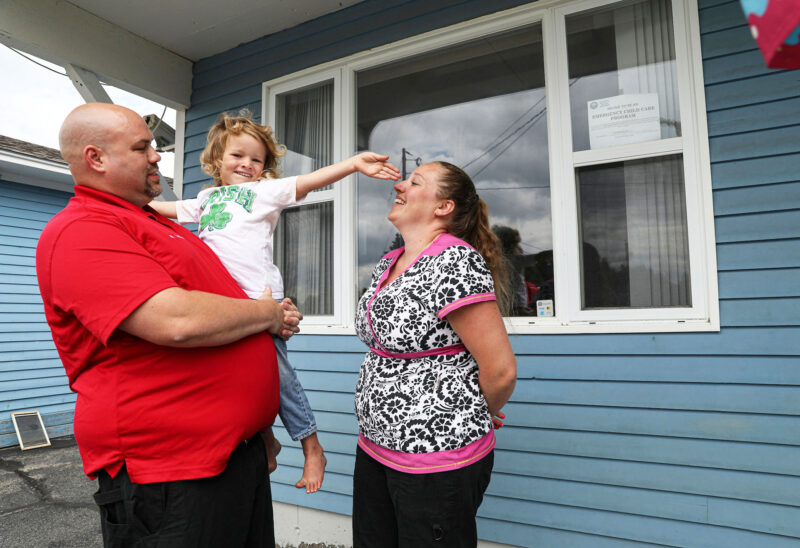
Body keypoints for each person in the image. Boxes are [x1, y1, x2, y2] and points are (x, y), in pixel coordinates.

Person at [36, 103, 302, 547]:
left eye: (154, 146)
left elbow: (222, 307)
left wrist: (257, 430)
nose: (157, 156)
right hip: (170, 474)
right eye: (142, 147)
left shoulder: (157, 223)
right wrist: (267, 314)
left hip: (234, 456)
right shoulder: (83, 229)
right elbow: (176, 320)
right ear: (95, 158)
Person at [148, 111, 400, 493]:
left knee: (277, 375)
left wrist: (352, 163)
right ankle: (267, 438)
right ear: (217, 160)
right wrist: (126, 202)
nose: (247, 164)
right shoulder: (206, 198)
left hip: (259, 297)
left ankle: (311, 446)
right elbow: (162, 211)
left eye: (257, 159)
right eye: (238, 156)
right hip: (223, 303)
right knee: (243, 376)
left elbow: (309, 180)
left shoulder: (263, 193)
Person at [352, 161, 517, 547]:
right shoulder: (388, 264)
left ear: (443, 206)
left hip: (436, 459)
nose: (399, 184)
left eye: (414, 181)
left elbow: (501, 371)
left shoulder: (454, 261)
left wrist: (478, 410)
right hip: (375, 447)